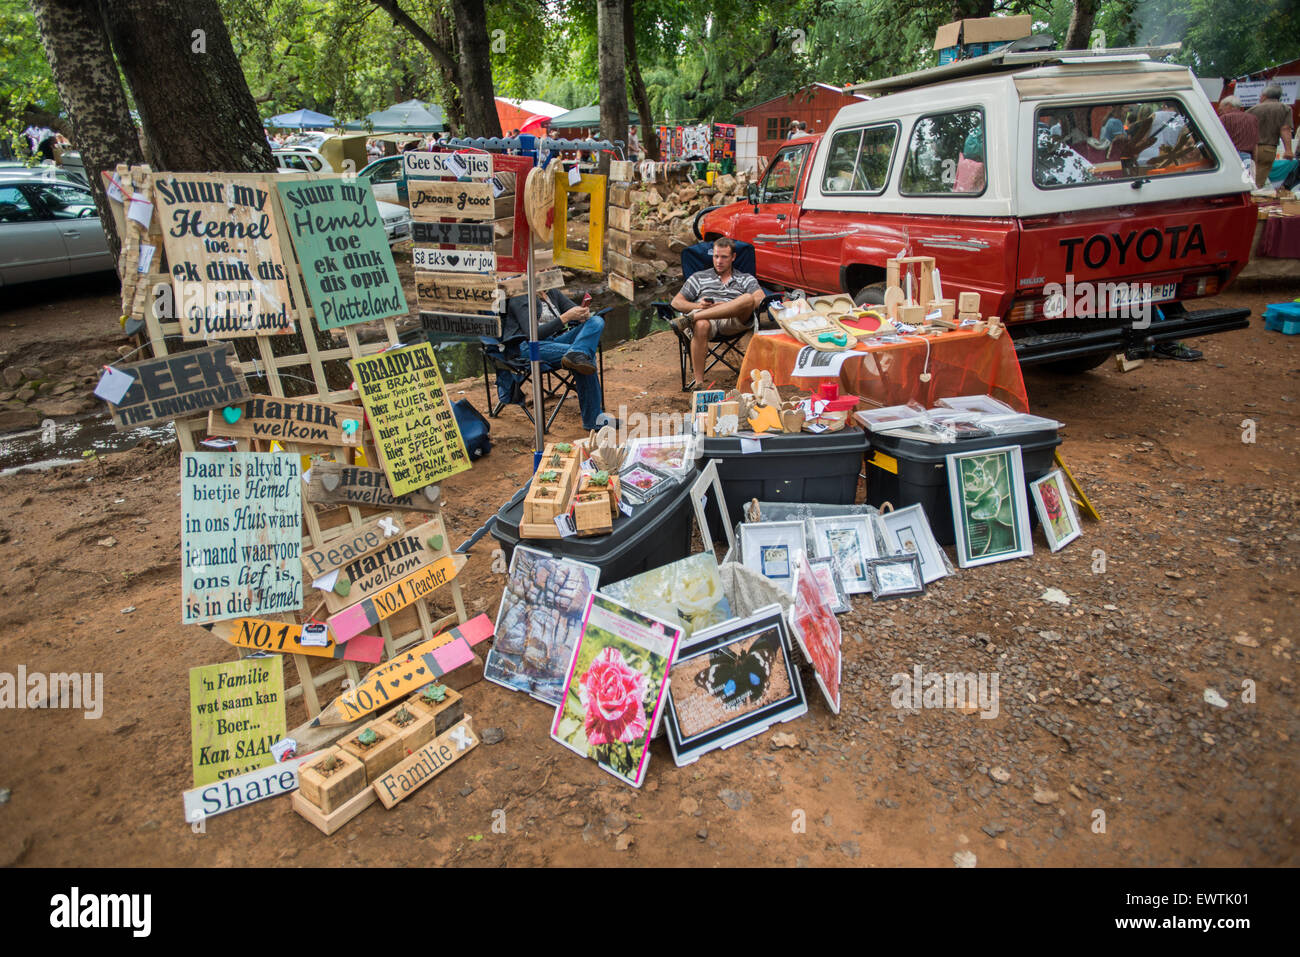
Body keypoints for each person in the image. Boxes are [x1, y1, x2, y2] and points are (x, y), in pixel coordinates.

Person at [496, 288, 613, 430]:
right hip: (528, 347)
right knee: (583, 358)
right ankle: (593, 419)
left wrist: (582, 314)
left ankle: (577, 353)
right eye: (542, 269)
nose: (547, 271)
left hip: (555, 341)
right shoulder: (520, 296)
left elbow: (574, 311)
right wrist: (565, 318)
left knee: (596, 321)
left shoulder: (552, 293)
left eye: (548, 268)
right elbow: (533, 334)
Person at [670, 237, 765, 391]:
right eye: (715, 256)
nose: (719, 261)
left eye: (724, 257)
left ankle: (691, 318)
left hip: (733, 321)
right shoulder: (699, 277)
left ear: (733, 257)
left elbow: (760, 298)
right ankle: (699, 384)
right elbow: (676, 302)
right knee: (700, 325)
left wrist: (726, 306)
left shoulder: (745, 278)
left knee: (748, 298)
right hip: (707, 322)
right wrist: (698, 305)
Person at [1247, 84, 1294, 189]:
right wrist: (1288, 150)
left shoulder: (1252, 109)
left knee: (1247, 180)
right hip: (1268, 149)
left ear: (1264, 96)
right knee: (1257, 184)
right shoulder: (1284, 108)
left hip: (1249, 150)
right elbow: (1285, 129)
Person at [1217, 96, 1259, 168]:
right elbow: (1255, 143)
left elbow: (1217, 138)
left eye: (1221, 109)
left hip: (1229, 156)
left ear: (1229, 105)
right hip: (1247, 157)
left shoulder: (1225, 118)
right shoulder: (1252, 118)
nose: (1220, 112)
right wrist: (1255, 162)